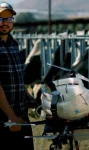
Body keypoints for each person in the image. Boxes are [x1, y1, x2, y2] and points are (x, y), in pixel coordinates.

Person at [0, 2, 34, 150]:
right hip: (4, 118)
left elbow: (17, 79)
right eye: (0, 19)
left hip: (21, 115)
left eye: (8, 19)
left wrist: (29, 98)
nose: (5, 23)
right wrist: (10, 116)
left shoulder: (14, 44)